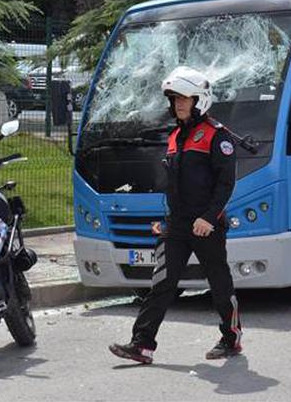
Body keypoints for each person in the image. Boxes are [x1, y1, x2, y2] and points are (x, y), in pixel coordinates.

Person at [110, 66, 242, 364]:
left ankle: (231, 338)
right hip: (178, 225)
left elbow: (226, 183)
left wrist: (209, 218)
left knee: (219, 284)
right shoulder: (175, 138)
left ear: (200, 100)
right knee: (161, 284)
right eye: (174, 99)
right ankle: (142, 345)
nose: (179, 104)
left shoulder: (215, 136)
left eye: (185, 98)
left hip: (206, 224)